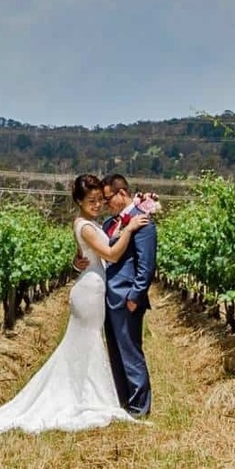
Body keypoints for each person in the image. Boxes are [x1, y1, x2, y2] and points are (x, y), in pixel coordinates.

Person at [0, 174, 149, 441]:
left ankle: (86, 392)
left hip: (94, 288)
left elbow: (97, 248)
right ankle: (85, 395)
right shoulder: (84, 226)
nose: (97, 205)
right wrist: (129, 229)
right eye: (91, 201)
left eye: (99, 200)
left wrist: (131, 217)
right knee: (85, 342)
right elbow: (111, 254)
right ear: (79, 202)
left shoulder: (92, 224)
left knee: (86, 343)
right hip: (89, 291)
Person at [99, 173, 157, 417]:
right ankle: (124, 403)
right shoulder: (109, 224)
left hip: (126, 298)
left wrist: (135, 295)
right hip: (108, 297)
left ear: (122, 193)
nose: (105, 204)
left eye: (108, 198)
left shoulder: (142, 222)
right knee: (115, 352)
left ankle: (139, 408)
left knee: (131, 352)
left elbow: (146, 265)